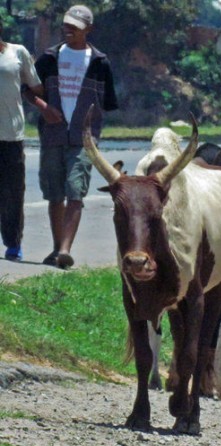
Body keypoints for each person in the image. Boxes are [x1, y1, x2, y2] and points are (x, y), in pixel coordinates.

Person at [33, 4, 117, 269]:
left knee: (75, 191)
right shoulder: (49, 58)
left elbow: (108, 103)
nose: (68, 30)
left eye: (75, 27)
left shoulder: (100, 63)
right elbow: (28, 89)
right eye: (66, 25)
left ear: (88, 29)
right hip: (52, 135)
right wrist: (44, 107)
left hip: (83, 139)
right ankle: (57, 247)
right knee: (55, 194)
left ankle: (65, 250)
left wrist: (89, 123)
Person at [0, 17, 48, 262]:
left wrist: (46, 104)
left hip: (11, 134)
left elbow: (35, 86)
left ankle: (13, 243)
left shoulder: (17, 52)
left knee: (13, 193)